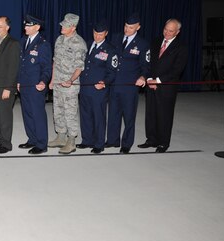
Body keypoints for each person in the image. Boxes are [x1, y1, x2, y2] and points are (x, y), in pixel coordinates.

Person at [141, 19, 188, 153]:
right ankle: (151, 139)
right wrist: (150, 79)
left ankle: (163, 142)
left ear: (177, 32)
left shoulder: (181, 47)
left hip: (166, 87)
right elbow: (148, 62)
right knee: (150, 113)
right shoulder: (155, 42)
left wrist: (158, 80)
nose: (167, 33)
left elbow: (177, 70)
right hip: (151, 84)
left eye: (171, 31)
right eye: (165, 29)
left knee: (164, 115)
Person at [106, 13, 150, 154]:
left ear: (138, 27)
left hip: (130, 86)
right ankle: (112, 140)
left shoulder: (142, 44)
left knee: (129, 116)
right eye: (126, 26)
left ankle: (126, 143)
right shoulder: (116, 38)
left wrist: (143, 77)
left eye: (131, 27)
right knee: (113, 114)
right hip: (114, 83)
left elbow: (146, 65)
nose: (127, 29)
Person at [48, 13, 87, 155]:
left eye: (65, 25)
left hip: (70, 85)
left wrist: (70, 80)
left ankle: (71, 141)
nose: (62, 27)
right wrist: (52, 80)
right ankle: (60, 136)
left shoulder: (79, 43)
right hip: (58, 82)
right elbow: (55, 61)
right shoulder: (59, 40)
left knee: (70, 112)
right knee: (58, 111)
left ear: (73, 27)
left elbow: (79, 67)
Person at [79, 21, 117, 154]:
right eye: (95, 33)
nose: (97, 36)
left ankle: (99, 143)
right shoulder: (88, 44)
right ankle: (87, 140)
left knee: (98, 116)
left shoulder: (110, 49)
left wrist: (104, 82)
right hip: (84, 87)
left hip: (98, 89)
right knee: (85, 115)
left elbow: (112, 71)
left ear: (106, 34)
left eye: (100, 34)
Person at [17, 14, 52, 155]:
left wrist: (43, 81)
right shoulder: (23, 41)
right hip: (25, 85)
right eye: (25, 25)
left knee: (37, 114)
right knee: (27, 114)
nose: (25, 27)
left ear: (37, 27)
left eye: (28, 25)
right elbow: (21, 64)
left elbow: (47, 67)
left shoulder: (43, 44)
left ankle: (42, 143)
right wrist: (18, 81)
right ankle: (32, 139)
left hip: (36, 86)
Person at [0, 16, 20, 154]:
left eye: (0, 26)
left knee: (5, 117)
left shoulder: (13, 44)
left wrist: (8, 88)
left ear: (7, 28)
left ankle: (6, 144)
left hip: (5, 88)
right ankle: (0, 139)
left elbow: (13, 68)